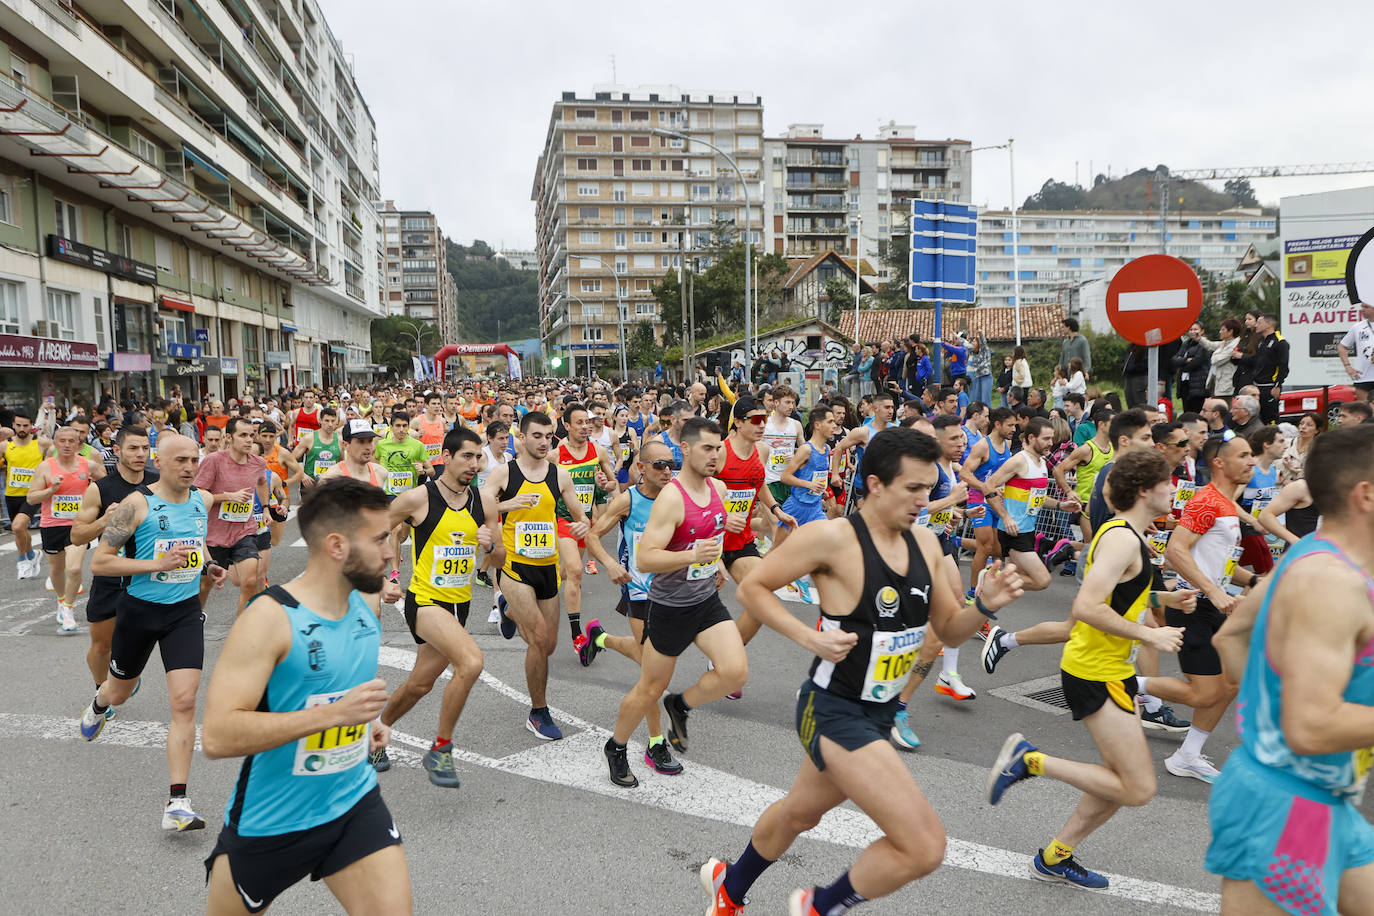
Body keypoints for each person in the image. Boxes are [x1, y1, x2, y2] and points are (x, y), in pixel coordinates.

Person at [700, 427, 1024, 916]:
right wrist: (809, 637)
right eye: (913, 488)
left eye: (929, 488)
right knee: (923, 845)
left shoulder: (925, 545)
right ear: (875, 484)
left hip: (879, 711)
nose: (925, 500)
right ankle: (818, 906)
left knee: (800, 813)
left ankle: (729, 886)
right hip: (833, 710)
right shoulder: (832, 539)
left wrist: (983, 604)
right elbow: (754, 589)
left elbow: (951, 631)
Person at [200, 477, 412, 914]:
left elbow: (325, 692)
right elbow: (218, 736)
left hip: (352, 803)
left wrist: (363, 722)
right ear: (337, 546)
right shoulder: (269, 619)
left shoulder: (366, 601)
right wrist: (335, 715)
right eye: (378, 540)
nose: (391, 552)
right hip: (272, 821)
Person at [986, 449, 1194, 890]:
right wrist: (1151, 636)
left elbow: (1124, 596)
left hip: (1107, 668)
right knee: (1137, 788)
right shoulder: (1122, 539)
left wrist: (1165, 601)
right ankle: (1030, 761)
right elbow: (1087, 605)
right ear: (1144, 490)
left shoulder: (1125, 533)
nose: (1173, 488)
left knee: (1119, 780)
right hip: (1096, 671)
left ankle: (1055, 856)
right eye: (1167, 481)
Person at [1206, 423, 1374, 916]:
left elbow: (1230, 636)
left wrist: (1265, 717)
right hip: (1285, 810)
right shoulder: (1330, 582)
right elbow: (1310, 726)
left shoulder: (1309, 555)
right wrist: (1276, 735)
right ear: (1367, 495)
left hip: (1326, 800)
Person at [78, 434, 228, 831]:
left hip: (183, 613)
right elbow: (101, 563)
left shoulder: (201, 500)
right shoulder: (136, 504)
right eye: (179, 460)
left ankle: (177, 802)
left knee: (183, 703)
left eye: (194, 459)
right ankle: (99, 703)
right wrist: (156, 564)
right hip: (139, 613)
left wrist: (208, 565)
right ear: (158, 462)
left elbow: (196, 543)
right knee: (119, 691)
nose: (189, 467)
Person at [602, 418, 744, 784]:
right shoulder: (671, 497)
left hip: (705, 601)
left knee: (734, 671)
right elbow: (647, 558)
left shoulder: (718, 489)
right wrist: (692, 556)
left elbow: (711, 531)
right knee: (649, 687)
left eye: (718, 448)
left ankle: (680, 705)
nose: (715, 456)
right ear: (687, 450)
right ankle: (616, 746)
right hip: (669, 607)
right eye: (707, 449)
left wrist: (719, 559)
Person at [369, 427, 500, 787]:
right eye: (466, 456)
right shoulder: (417, 498)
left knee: (419, 685)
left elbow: (501, 556)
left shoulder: (483, 502)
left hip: (459, 606)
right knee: (471, 662)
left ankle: (376, 733)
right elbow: (373, 535)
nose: (474, 464)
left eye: (478, 457)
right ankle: (441, 748)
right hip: (425, 601)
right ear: (445, 457)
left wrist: (489, 545)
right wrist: (381, 580)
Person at [1146, 436, 1258, 783]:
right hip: (1193, 604)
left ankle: (1188, 754)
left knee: (1231, 683)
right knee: (1205, 692)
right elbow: (1176, 551)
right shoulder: (1207, 500)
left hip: (1215, 607)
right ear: (1220, 462)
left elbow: (1216, 562)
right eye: (1243, 455)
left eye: (1252, 455)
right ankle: (1121, 683)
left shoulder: (1226, 503)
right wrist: (1213, 591)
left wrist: (1254, 582)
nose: (1251, 461)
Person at [482, 411, 590, 740]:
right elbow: (478, 507)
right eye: (537, 436)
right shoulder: (503, 474)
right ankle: (538, 712)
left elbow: (579, 513)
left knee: (549, 646)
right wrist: (507, 505)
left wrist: (583, 523)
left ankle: (508, 611)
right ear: (523, 437)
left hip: (547, 568)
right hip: (515, 567)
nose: (544, 442)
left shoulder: (560, 476)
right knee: (540, 640)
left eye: (548, 436)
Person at [579, 438, 684, 777]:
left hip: (673, 592)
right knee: (651, 673)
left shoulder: (678, 497)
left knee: (647, 660)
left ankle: (599, 639)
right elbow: (593, 536)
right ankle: (656, 744)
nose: (668, 470)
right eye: (659, 465)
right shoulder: (629, 500)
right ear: (641, 468)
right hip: (638, 592)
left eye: (671, 464)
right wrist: (610, 563)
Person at [71, 425, 157, 688]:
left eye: (145, 448)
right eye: (133, 448)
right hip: (111, 578)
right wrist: (104, 521)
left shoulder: (159, 482)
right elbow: (77, 536)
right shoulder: (100, 489)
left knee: (137, 641)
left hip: (148, 577)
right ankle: (101, 689)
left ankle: (126, 674)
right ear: (117, 450)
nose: (140, 453)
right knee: (100, 647)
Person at [984, 417, 1082, 593]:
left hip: (1028, 529)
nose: (1050, 443)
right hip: (1014, 531)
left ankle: (988, 600)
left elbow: (1038, 497)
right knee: (1042, 580)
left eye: (1052, 438)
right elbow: (988, 486)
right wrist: (1006, 517)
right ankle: (989, 579)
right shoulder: (1019, 460)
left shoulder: (1042, 462)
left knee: (1012, 584)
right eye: (1045, 439)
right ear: (1031, 438)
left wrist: (1061, 505)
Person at [551, 403, 617, 655]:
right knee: (577, 572)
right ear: (566, 426)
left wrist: (605, 482)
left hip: (586, 522)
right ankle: (577, 635)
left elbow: (611, 484)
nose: (585, 426)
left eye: (587, 422)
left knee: (567, 572)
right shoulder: (557, 455)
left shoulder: (598, 451)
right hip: (563, 519)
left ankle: (544, 587)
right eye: (579, 422)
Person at [26, 426, 102, 630]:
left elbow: (106, 486)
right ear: (56, 444)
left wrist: (95, 495)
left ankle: (68, 608)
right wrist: (51, 489)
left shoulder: (89, 465)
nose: (67, 445)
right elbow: (31, 497)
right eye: (62, 441)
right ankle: (61, 600)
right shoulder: (46, 467)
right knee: (57, 569)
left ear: (78, 444)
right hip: (52, 524)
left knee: (75, 567)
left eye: (71, 441)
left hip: (78, 525)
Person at [194, 418, 270, 617]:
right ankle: (194, 621)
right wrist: (229, 496)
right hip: (214, 534)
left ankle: (241, 629)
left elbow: (262, 483)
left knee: (251, 581)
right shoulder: (214, 461)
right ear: (229, 438)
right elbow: (198, 494)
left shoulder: (258, 463)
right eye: (242, 435)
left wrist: (266, 507)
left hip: (244, 531)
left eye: (251, 435)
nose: (248, 440)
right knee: (203, 587)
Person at [3, 410, 52, 579]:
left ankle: (22, 560)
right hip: (11, 494)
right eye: (18, 425)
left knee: (17, 526)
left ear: (32, 426)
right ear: (13, 426)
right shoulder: (5, 445)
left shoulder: (42, 443)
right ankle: (31, 554)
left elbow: (57, 454)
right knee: (19, 530)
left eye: (25, 425)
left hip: (33, 494)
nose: (22, 428)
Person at [761, 385, 805, 513]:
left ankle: (755, 529)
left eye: (792, 402)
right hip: (768, 480)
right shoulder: (764, 424)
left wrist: (797, 457)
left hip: (788, 479)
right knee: (776, 522)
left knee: (771, 522)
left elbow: (805, 451)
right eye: (787, 402)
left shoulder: (796, 425)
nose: (791, 406)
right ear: (776, 402)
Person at [293, 406, 343, 489]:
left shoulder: (340, 440)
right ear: (320, 421)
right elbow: (291, 459)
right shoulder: (309, 438)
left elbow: (342, 463)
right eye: (327, 421)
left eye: (333, 421)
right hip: (311, 485)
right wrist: (302, 475)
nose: (330, 424)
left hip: (331, 485)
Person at [1253, 314, 1290, 425]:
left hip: (1269, 386)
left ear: (1269, 324)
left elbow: (1283, 366)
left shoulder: (1280, 342)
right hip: (1257, 386)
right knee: (1258, 418)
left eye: (1259, 323)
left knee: (1270, 418)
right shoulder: (1261, 342)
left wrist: (1277, 385)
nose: (1256, 325)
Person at [1337, 299, 1374, 401]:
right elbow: (1342, 346)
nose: (1362, 309)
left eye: (1366, 307)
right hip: (1363, 377)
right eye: (1362, 306)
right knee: (1365, 411)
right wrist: (1348, 366)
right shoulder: (1357, 327)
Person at [1173, 322, 1213, 414]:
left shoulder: (1204, 345)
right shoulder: (1186, 344)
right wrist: (1185, 360)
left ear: (1202, 331)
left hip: (1198, 384)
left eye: (1195, 329)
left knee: (1197, 411)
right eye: (1191, 329)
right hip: (1184, 383)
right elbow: (1174, 360)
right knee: (1187, 411)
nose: (1192, 332)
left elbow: (1196, 362)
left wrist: (1182, 362)